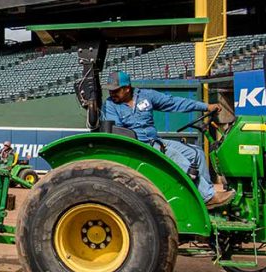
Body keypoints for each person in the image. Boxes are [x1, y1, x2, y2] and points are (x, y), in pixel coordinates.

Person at [101, 72, 235, 209]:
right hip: (138, 146)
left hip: (154, 140)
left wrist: (206, 107)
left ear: (127, 88)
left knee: (196, 153)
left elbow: (174, 103)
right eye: (110, 90)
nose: (112, 93)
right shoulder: (110, 105)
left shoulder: (146, 96)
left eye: (116, 90)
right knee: (174, 155)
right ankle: (209, 196)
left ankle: (204, 199)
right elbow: (118, 131)